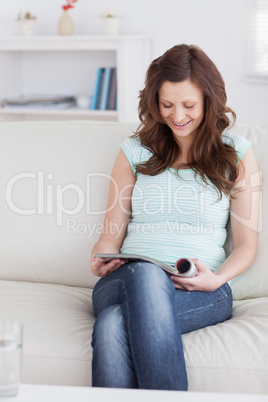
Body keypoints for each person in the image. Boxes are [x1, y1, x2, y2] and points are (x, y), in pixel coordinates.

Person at [90, 44, 259, 390]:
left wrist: (216, 279)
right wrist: (100, 256)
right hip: (125, 281)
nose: (177, 115)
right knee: (147, 275)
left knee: (111, 327)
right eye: (166, 105)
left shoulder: (237, 153)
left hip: (200, 289)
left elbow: (245, 245)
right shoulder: (133, 151)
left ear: (210, 101)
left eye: (189, 105)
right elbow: (110, 233)